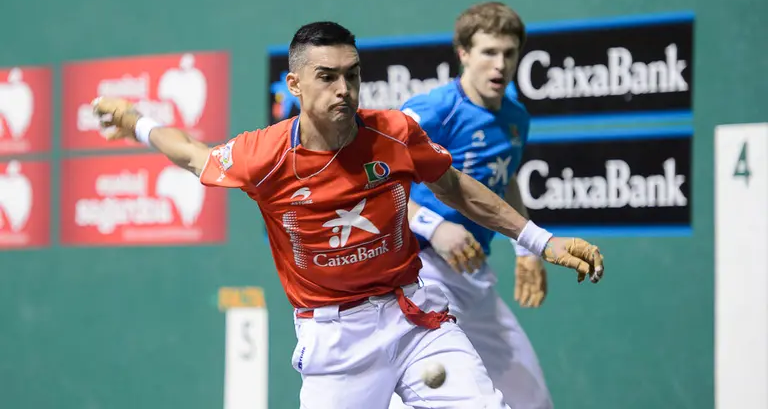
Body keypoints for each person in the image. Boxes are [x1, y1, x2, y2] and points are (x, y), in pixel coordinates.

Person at [91, 20, 604, 409]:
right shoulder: (264, 156)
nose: (343, 89)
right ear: (295, 85)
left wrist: (539, 240)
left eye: (352, 76)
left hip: (416, 319)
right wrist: (137, 121)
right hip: (335, 343)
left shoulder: (394, 133)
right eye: (327, 76)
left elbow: (456, 187)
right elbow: (190, 153)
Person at [387, 2, 559, 409]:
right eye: (488, 52)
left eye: (509, 53)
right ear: (463, 53)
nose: (500, 65)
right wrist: (431, 226)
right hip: (420, 273)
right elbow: (372, 176)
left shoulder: (516, 117)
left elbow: (505, 177)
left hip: (472, 275)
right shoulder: (434, 110)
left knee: (533, 400)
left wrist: (525, 247)